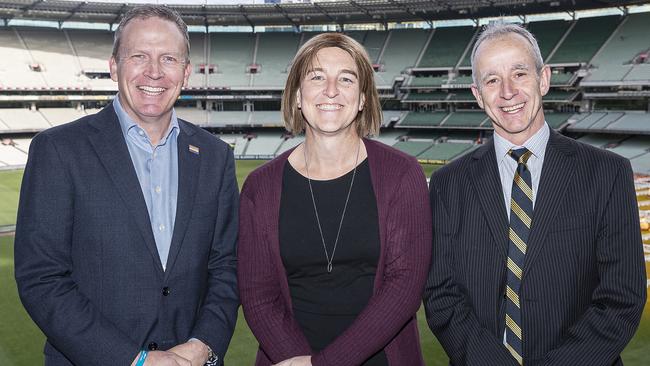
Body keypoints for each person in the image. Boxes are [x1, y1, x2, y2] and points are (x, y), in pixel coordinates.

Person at [14, 5, 239, 366]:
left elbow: (225, 267)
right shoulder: (59, 150)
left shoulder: (215, 157)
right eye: (139, 56)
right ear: (115, 66)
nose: (154, 71)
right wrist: (133, 360)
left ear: (185, 73)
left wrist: (203, 345)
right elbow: (42, 278)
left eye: (168, 58)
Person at [423, 22, 646, 366]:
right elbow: (441, 295)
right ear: (477, 94)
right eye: (492, 80)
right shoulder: (448, 184)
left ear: (544, 79)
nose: (507, 91)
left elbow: (622, 297)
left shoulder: (607, 173)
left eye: (519, 73)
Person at [237, 33, 431, 366]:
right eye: (316, 77)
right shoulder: (260, 187)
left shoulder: (402, 174)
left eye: (346, 78)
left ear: (362, 99)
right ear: (298, 96)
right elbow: (258, 294)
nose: (331, 90)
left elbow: (404, 287)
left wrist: (325, 364)